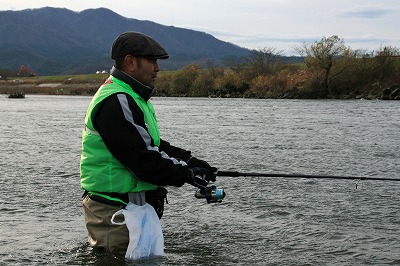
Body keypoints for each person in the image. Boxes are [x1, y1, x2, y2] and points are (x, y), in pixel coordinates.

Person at [80, 31, 217, 256]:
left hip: (132, 210)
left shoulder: (133, 97)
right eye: (152, 61)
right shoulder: (116, 100)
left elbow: (151, 143)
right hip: (115, 211)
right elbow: (143, 160)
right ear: (130, 62)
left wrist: (189, 161)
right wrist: (187, 174)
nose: (157, 68)